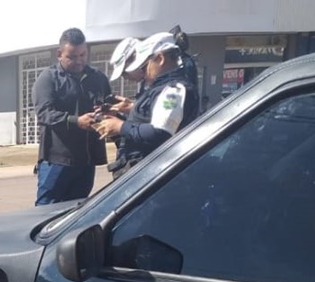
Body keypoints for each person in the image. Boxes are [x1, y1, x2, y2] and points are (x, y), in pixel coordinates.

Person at [93, 32, 200, 180]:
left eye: (144, 67)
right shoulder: (162, 88)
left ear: (160, 59)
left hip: (152, 175)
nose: (143, 73)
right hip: (143, 172)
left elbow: (160, 132)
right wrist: (128, 112)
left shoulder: (173, 91)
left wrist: (120, 126)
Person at [32, 28, 112, 205]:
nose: (79, 61)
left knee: (77, 211)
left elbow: (108, 106)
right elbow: (44, 113)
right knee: (45, 211)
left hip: (86, 160)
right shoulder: (48, 78)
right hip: (57, 160)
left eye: (83, 55)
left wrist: (106, 112)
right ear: (59, 54)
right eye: (72, 57)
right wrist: (76, 121)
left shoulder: (98, 78)